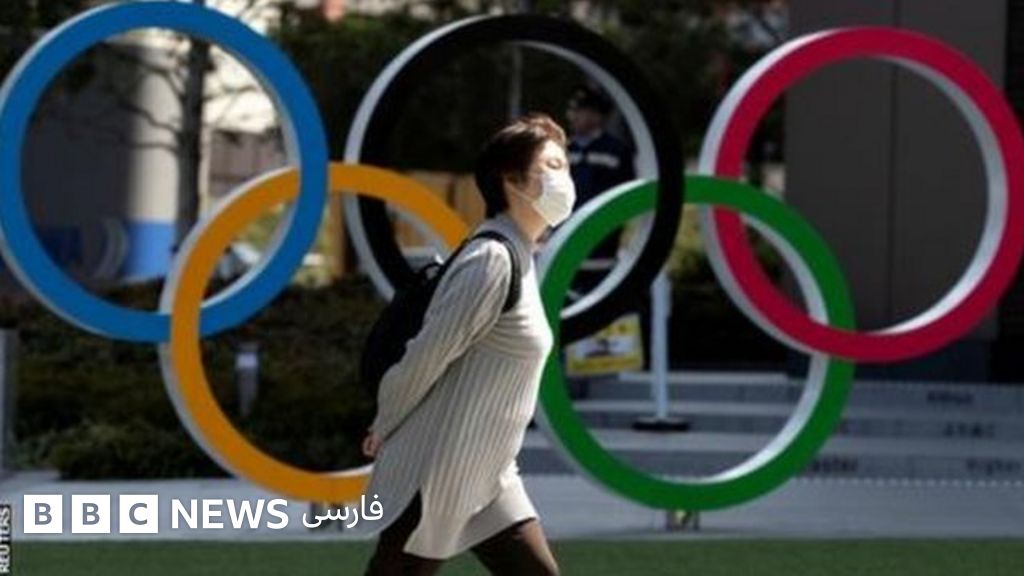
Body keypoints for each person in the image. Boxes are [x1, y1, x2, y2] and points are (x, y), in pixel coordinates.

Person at [360, 113, 572, 576]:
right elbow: (426, 355)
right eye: (551, 167)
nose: (564, 180)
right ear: (511, 181)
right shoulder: (491, 260)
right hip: (436, 468)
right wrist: (385, 421)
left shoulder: (522, 255)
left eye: (566, 167)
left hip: (490, 474)